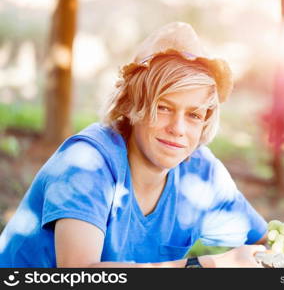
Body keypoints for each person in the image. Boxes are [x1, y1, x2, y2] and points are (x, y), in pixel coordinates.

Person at [0, 22, 268, 268]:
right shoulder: (86, 162)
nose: (178, 129)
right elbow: (79, 275)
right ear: (131, 105)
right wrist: (204, 267)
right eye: (162, 108)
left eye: (194, 115)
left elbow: (264, 242)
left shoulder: (201, 173)